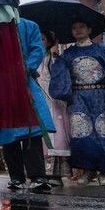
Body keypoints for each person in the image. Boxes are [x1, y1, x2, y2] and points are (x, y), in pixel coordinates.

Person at [48, 21, 105, 186]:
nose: (77, 30)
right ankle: (87, 170)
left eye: (81, 27)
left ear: (90, 29)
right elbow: (60, 77)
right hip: (78, 97)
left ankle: (104, 172)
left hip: (102, 96)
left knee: (104, 131)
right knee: (81, 132)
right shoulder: (67, 54)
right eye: (74, 27)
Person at [0, 18, 55, 193]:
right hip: (2, 84)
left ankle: (37, 175)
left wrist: (25, 68)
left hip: (25, 82)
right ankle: (16, 176)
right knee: (8, 132)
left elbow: (37, 49)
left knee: (32, 130)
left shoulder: (30, 25)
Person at [38, 30, 71, 185]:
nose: (40, 41)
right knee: (39, 136)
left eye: (43, 38)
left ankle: (56, 174)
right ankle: (39, 172)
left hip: (54, 101)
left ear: (50, 41)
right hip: (38, 101)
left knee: (58, 136)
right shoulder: (32, 59)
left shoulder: (56, 61)